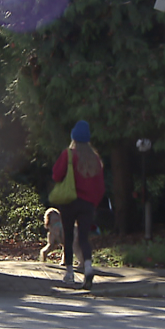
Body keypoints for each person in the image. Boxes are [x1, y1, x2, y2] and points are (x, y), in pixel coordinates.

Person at [51, 120, 105, 289]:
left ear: (73, 137)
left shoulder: (68, 155)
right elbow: (100, 186)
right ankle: (88, 267)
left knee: (68, 236)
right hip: (87, 204)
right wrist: (93, 202)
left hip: (69, 201)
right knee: (83, 237)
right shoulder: (95, 159)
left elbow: (56, 175)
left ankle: (69, 273)